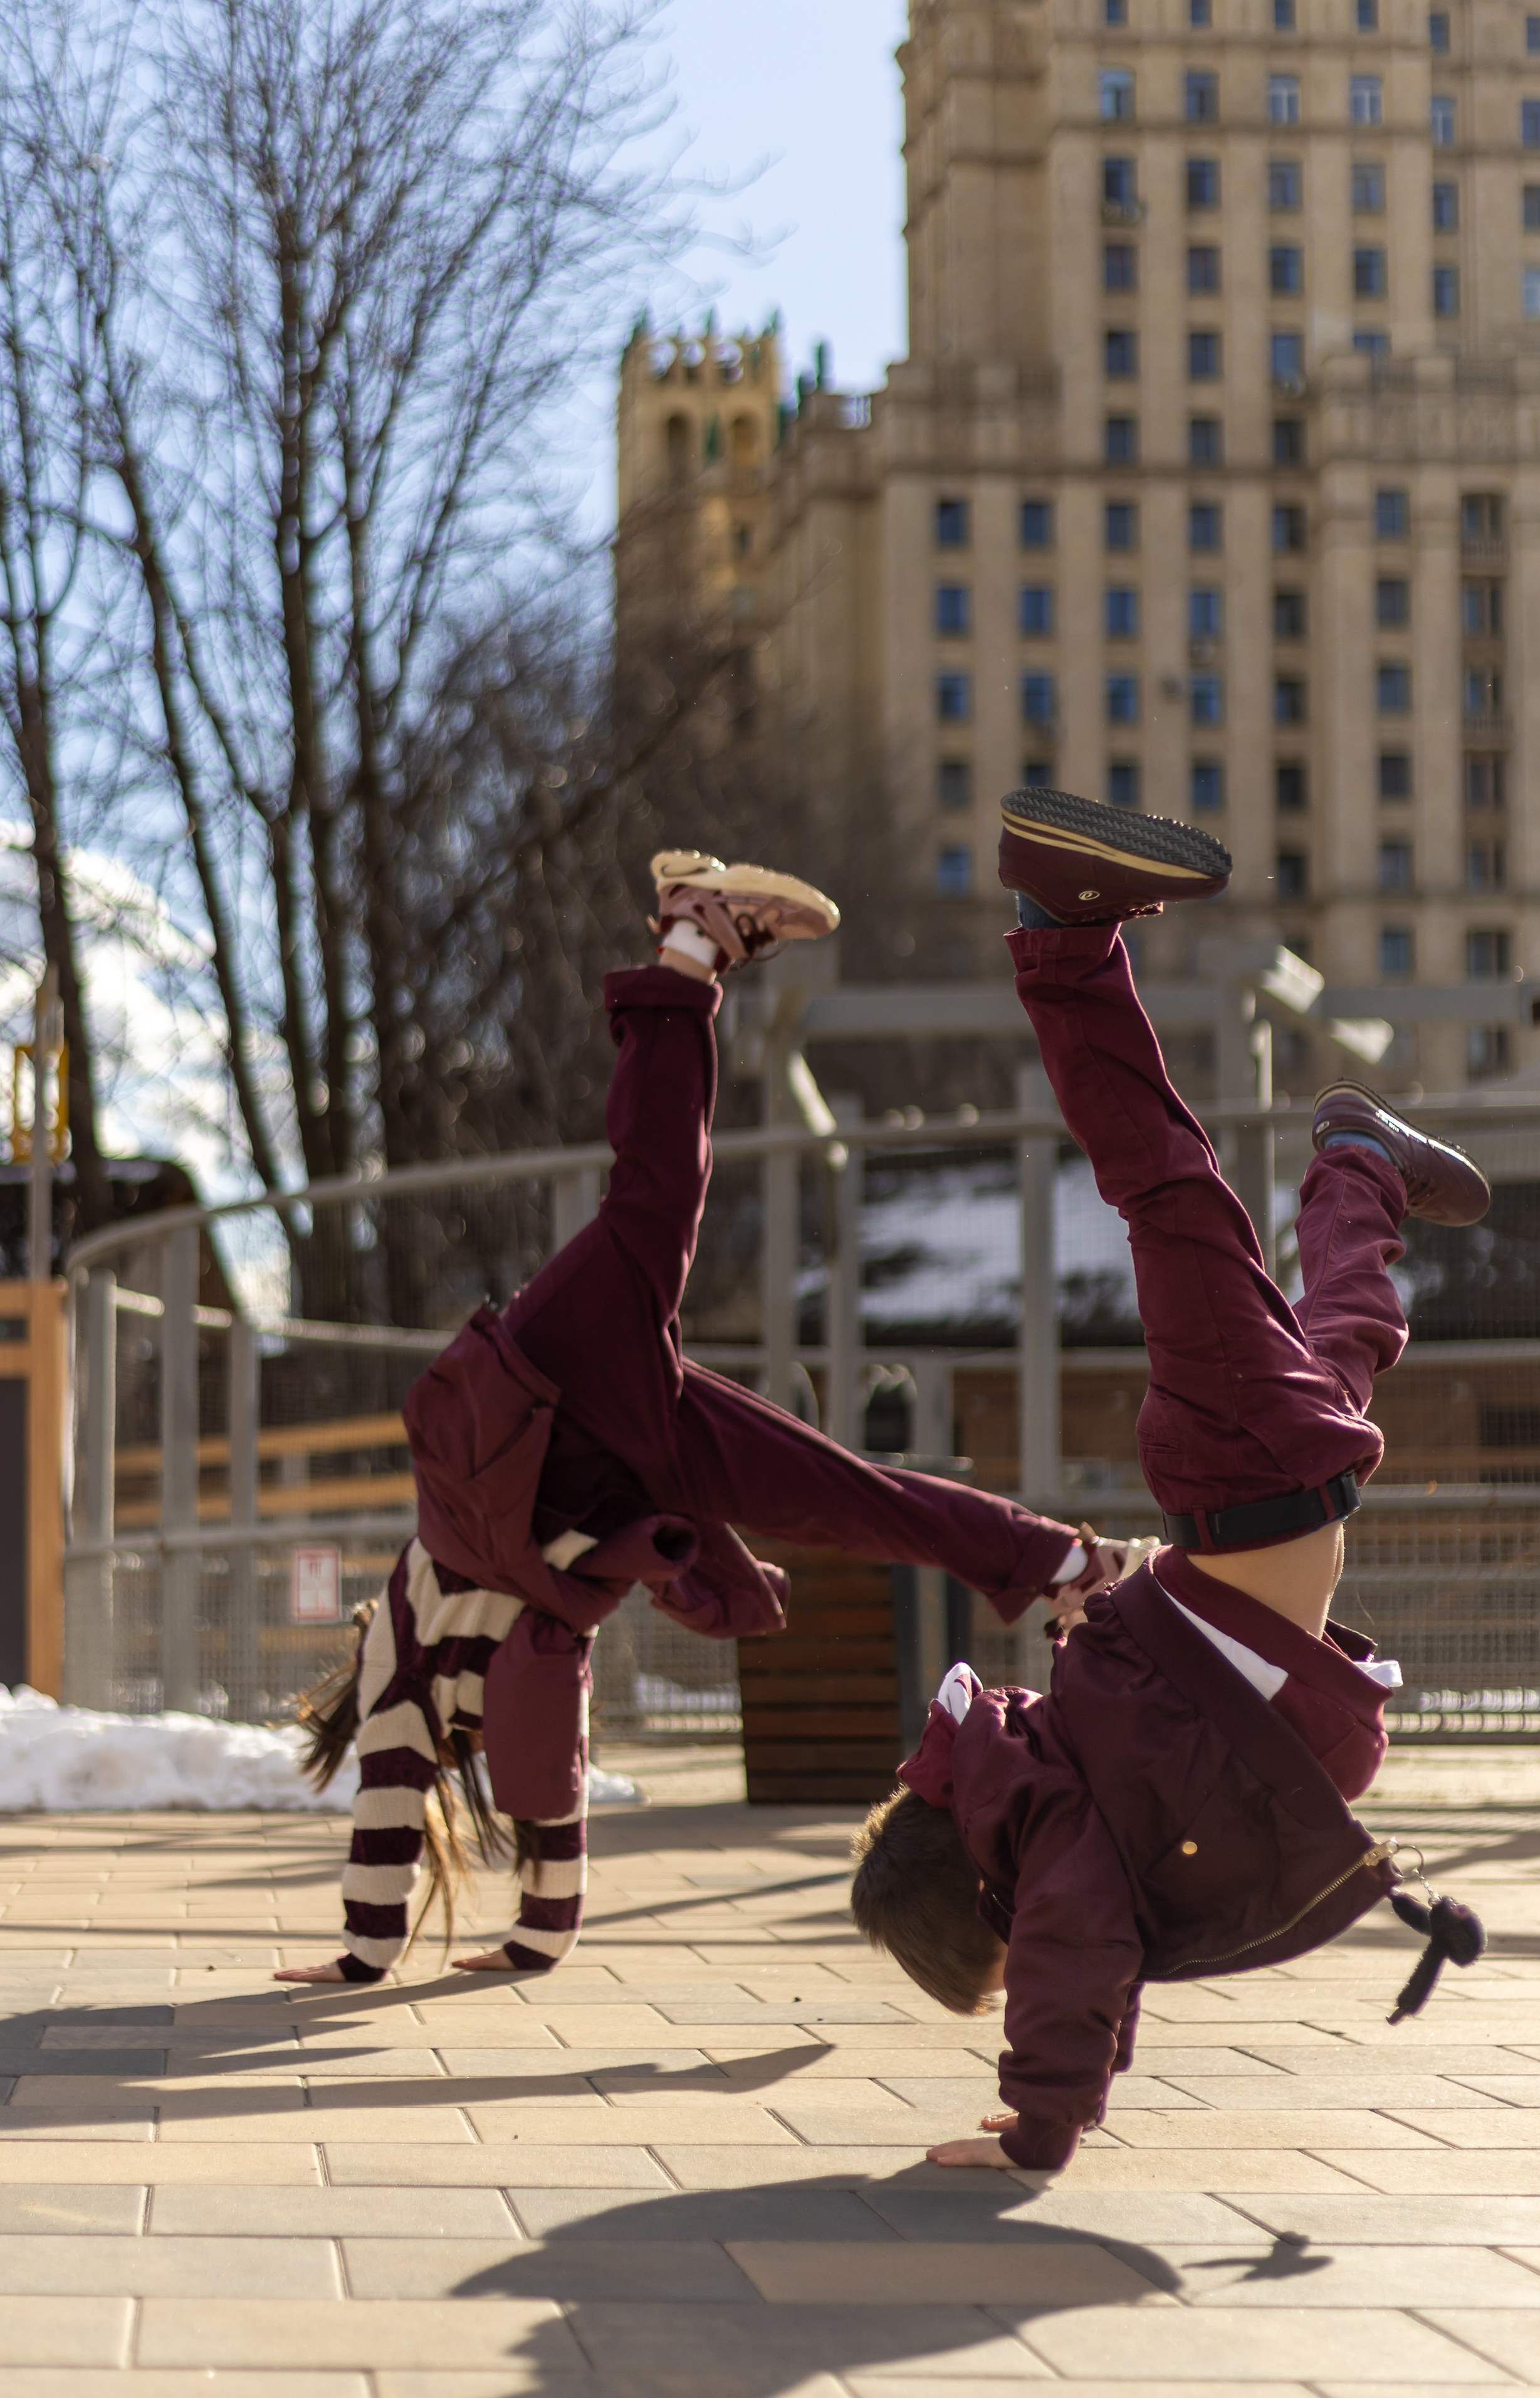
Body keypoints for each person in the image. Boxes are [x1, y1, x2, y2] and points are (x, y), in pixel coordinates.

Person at [278, 849, 1127, 1987]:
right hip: (623, 1453)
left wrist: (360, 1959)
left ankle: (692, 939)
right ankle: (1065, 1561)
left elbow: (394, 1799)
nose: (463, 1750)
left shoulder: (402, 1652)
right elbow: (555, 1783)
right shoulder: (514, 1680)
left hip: (534, 1396)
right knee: (843, 1495)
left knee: (652, 1202)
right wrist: (535, 1940)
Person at [849, 786, 1491, 2174]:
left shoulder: (1042, 1815)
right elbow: (1099, 1948)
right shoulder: (1077, 1792)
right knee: (1348, 1338)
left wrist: (1035, 2130)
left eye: (996, 1958)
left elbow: (1077, 1945)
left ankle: (1061, 937)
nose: (1028, 1955)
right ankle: (1359, 1162)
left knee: (1167, 1191)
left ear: (982, 1890)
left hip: (1236, 1473)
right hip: (1271, 1479)